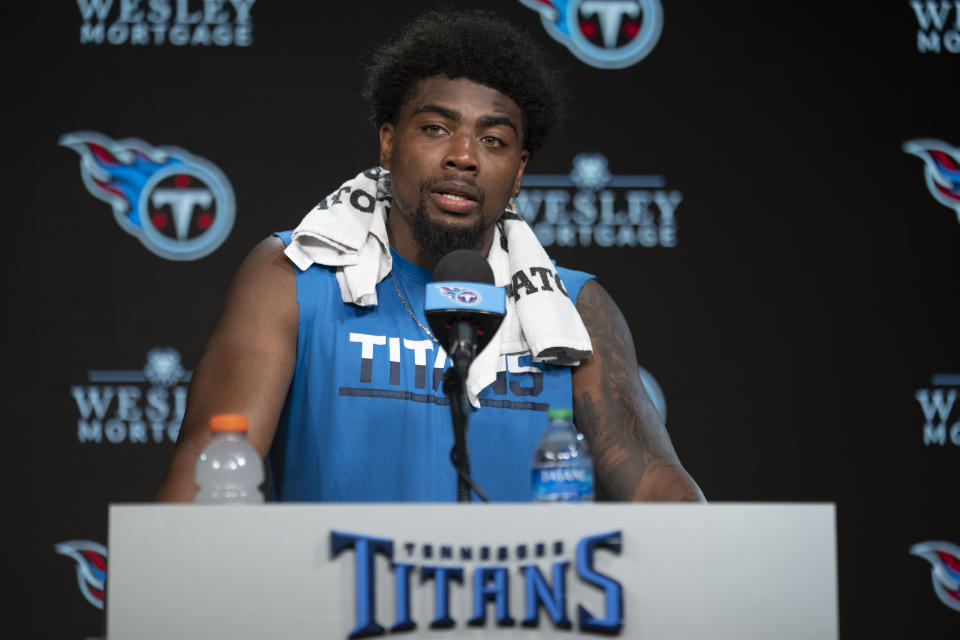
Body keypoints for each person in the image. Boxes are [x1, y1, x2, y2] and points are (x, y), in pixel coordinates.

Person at [156, 10, 704, 503]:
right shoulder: (294, 275)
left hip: (521, 611)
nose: (463, 156)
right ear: (389, 143)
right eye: (437, 129)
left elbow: (656, 483)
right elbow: (210, 472)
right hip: (337, 609)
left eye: (493, 140)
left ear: (518, 172)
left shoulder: (575, 308)